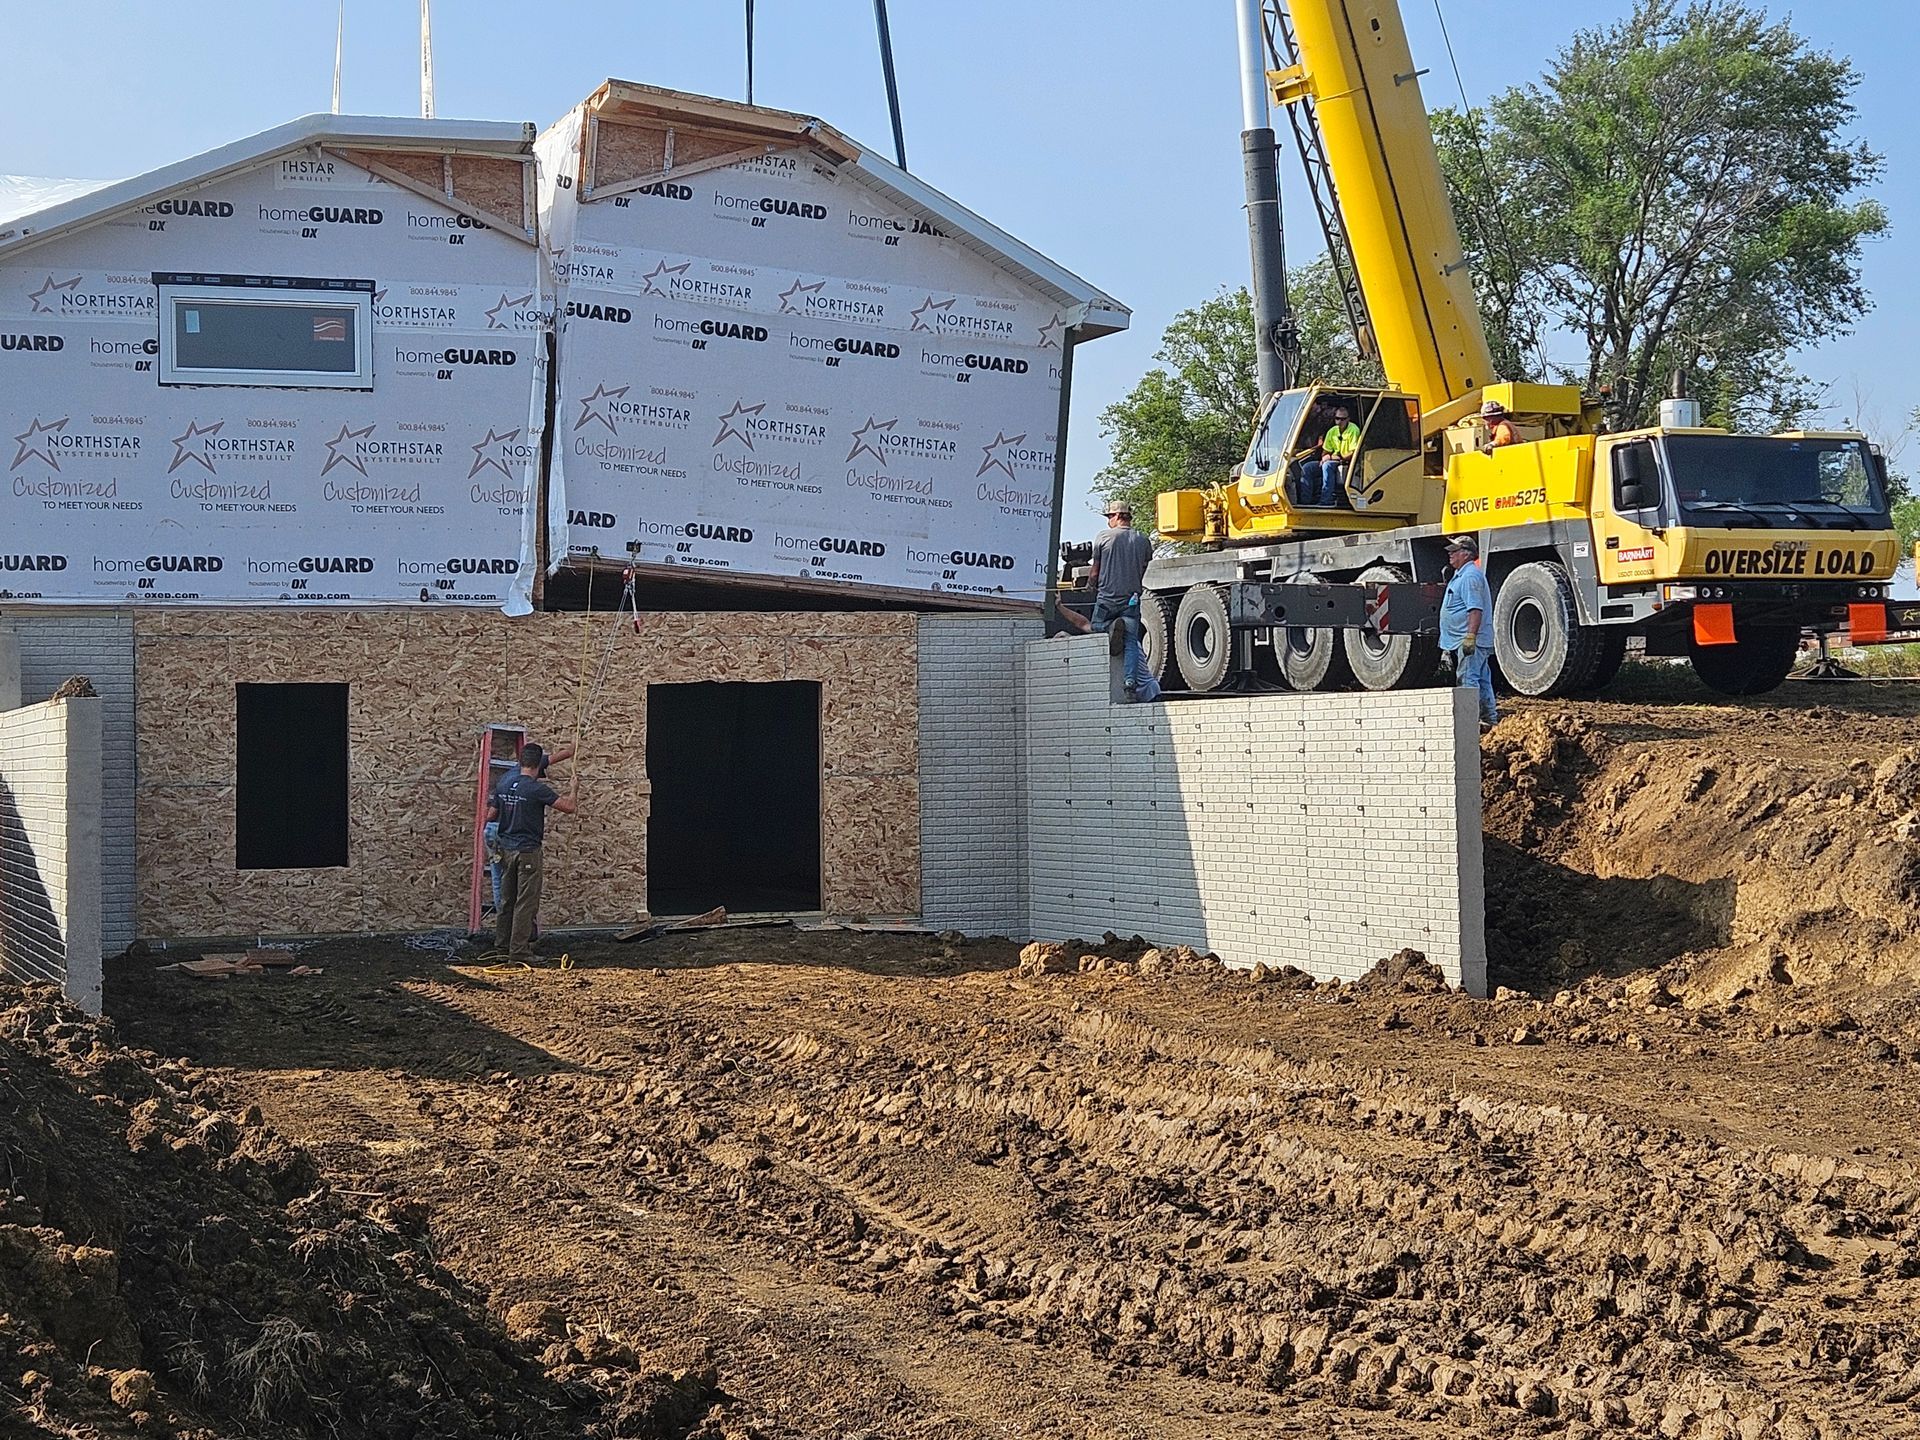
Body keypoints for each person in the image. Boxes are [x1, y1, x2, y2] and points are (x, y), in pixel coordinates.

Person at [489, 742, 579, 958]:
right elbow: (569, 807)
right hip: (527, 851)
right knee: (526, 901)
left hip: (506, 848)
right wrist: (574, 789)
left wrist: (569, 751)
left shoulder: (505, 781)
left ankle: (502, 946)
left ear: (521, 761)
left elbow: (491, 815)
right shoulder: (536, 788)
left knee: (507, 899)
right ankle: (519, 950)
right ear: (538, 765)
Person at [1087, 503, 1158, 700]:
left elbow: (1095, 571)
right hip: (1131, 600)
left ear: (1118, 515)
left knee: (1095, 628)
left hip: (1107, 598)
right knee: (1131, 643)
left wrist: (1090, 585)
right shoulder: (1143, 539)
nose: (1108, 520)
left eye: (1109, 516)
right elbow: (1143, 567)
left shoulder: (1103, 537)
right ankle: (1129, 685)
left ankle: (1110, 629)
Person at [1440, 535, 1497, 727]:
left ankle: (1471, 724)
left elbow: (1475, 609)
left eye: (1454, 551)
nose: (1450, 555)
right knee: (1481, 679)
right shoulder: (1464, 575)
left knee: (1468, 679)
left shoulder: (1470, 576)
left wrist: (1470, 636)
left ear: (1466, 554)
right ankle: (1489, 720)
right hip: (1468, 639)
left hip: (1470, 639)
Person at [1300, 406, 1361, 506]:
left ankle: (1326, 501)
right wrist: (1324, 457)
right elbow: (1326, 450)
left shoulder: (1354, 430)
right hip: (1333, 459)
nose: (1339, 422)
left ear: (1348, 419)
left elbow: (1353, 453)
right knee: (1308, 468)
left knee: (1327, 466)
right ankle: (1305, 501)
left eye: (1342, 419)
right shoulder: (1332, 431)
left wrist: (1336, 457)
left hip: (1346, 462)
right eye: (1337, 418)